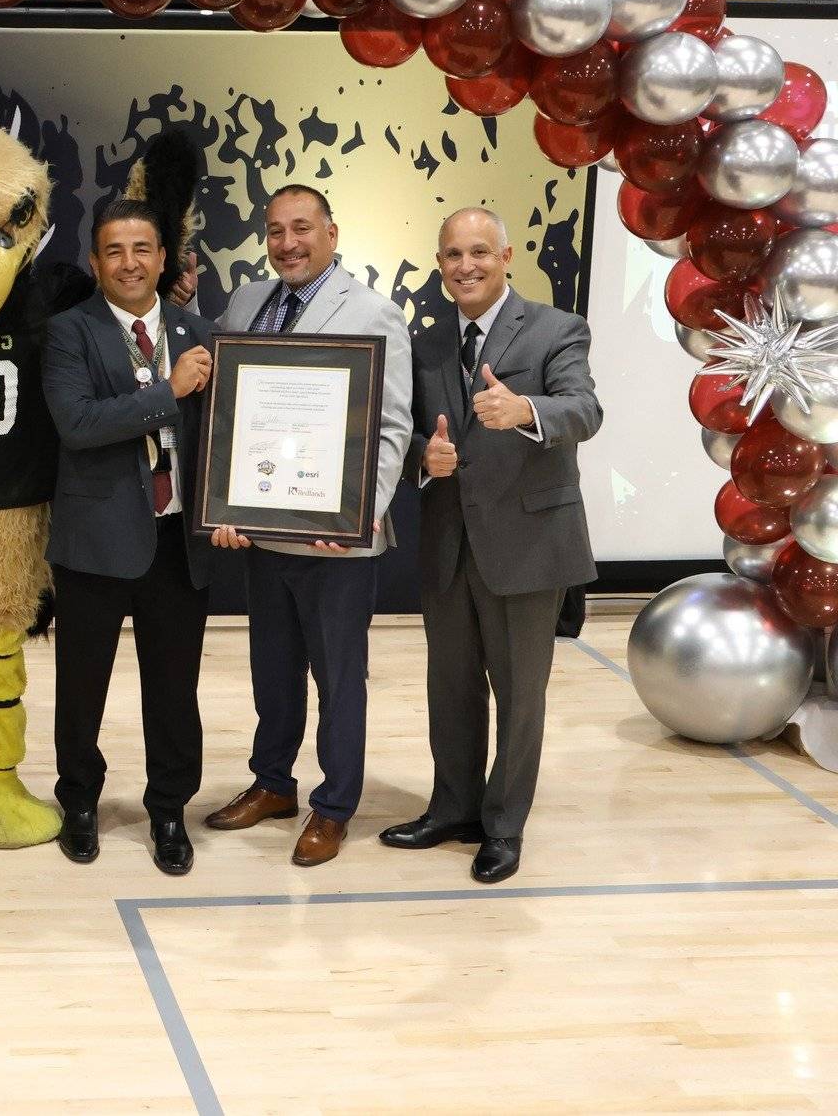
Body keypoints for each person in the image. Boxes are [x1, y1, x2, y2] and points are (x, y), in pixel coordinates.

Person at [382, 207, 601, 884]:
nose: (464, 265)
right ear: (439, 262)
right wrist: (427, 456)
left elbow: (585, 409)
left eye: (479, 251)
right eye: (452, 254)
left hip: (529, 545)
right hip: (450, 543)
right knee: (449, 687)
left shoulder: (556, 328)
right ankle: (453, 807)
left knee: (518, 691)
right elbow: (413, 431)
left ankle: (504, 824)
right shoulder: (426, 343)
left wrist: (526, 410)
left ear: (507, 255)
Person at [204, 185, 412, 868]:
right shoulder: (244, 303)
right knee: (272, 670)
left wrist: (356, 514)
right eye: (275, 231)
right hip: (264, 530)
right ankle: (273, 782)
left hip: (336, 540)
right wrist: (225, 507)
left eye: (302, 229)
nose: (287, 243)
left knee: (339, 677)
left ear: (332, 232)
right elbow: (230, 418)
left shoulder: (375, 311)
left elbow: (390, 427)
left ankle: (333, 806)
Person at [44, 195, 216, 874]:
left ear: (162, 257)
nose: (129, 262)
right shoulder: (68, 331)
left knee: (175, 690)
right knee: (81, 686)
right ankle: (80, 801)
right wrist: (167, 391)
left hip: (177, 542)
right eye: (114, 250)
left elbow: (218, 439)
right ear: (95, 261)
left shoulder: (199, 329)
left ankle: (169, 808)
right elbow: (79, 424)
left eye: (141, 248)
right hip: (94, 543)